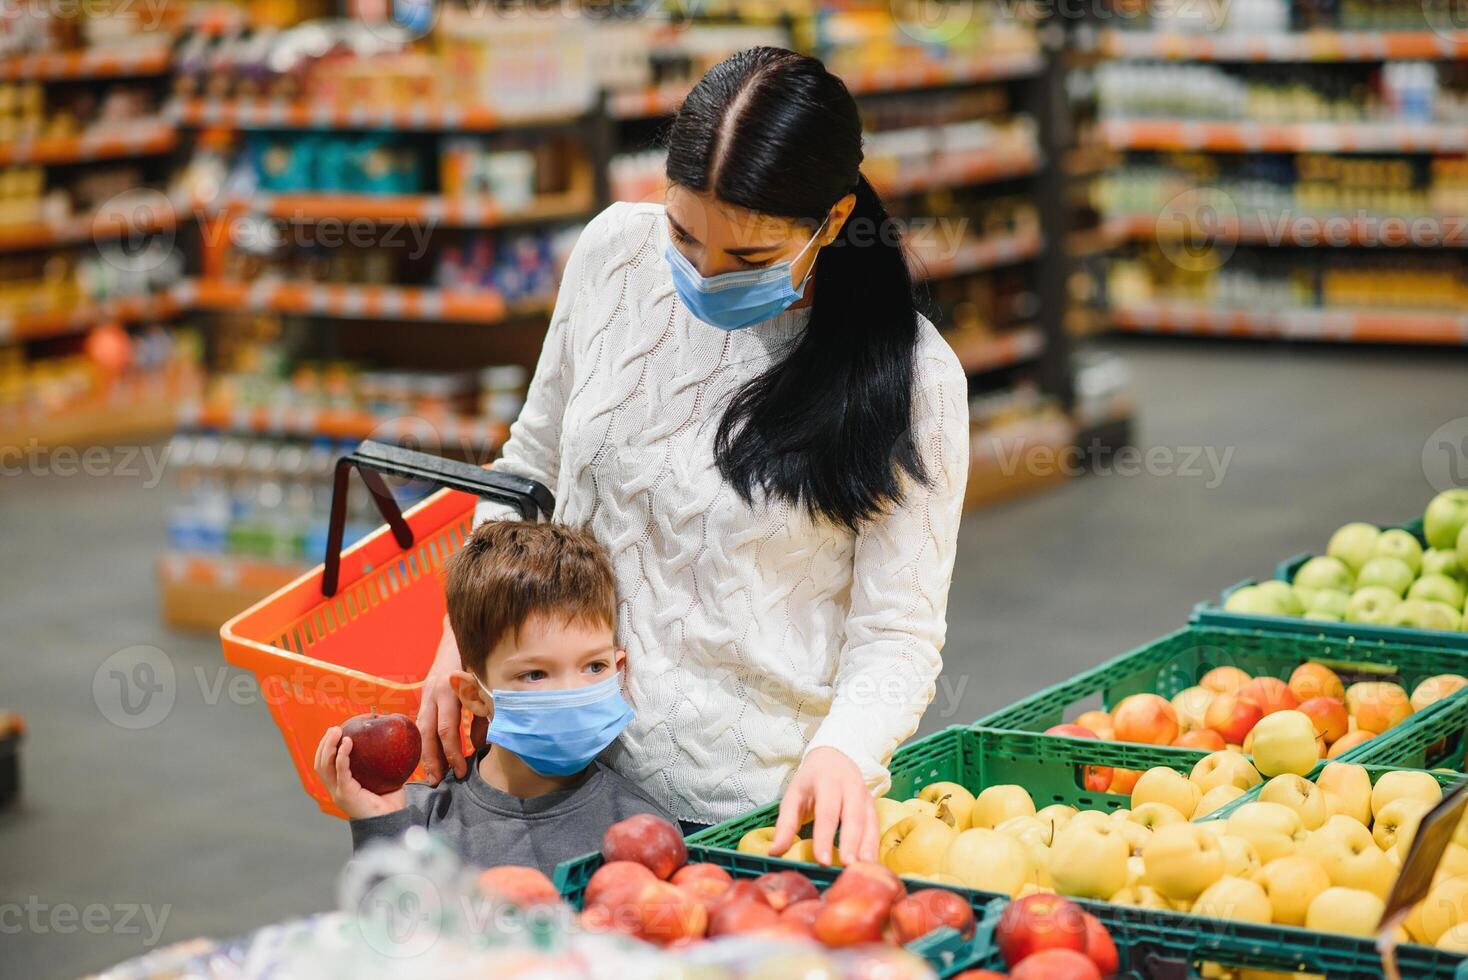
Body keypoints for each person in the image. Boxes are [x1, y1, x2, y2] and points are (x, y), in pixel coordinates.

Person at [418, 46, 969, 865]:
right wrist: (460, 635)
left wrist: (843, 752)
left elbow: (896, 632)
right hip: (548, 771)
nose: (705, 274)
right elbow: (529, 464)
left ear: (835, 220)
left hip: (745, 817)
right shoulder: (613, 254)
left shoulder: (910, 378)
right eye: (683, 234)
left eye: (747, 259)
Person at [315, 521, 674, 876]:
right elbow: (384, 928)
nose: (571, 692)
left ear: (619, 666)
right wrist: (378, 826)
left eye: (594, 667)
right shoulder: (416, 825)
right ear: (474, 695)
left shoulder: (643, 829)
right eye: (535, 674)